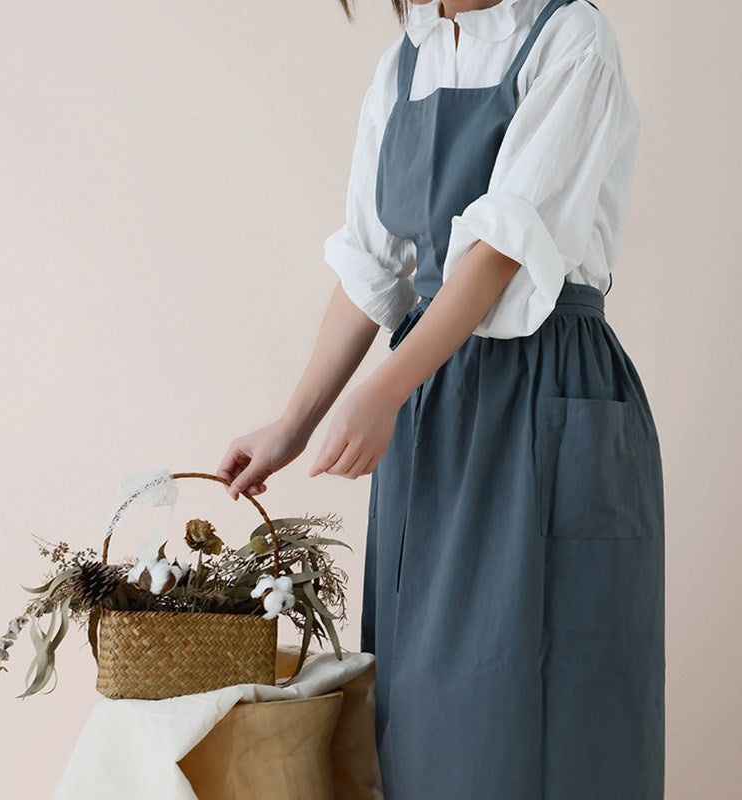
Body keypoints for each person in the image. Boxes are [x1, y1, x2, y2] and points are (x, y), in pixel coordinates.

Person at [217, 1, 665, 797]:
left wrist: (385, 388)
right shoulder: (405, 64)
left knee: (565, 696)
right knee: (429, 710)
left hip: (548, 392)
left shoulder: (571, 37)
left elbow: (501, 250)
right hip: (436, 402)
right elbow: (372, 265)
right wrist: (292, 425)